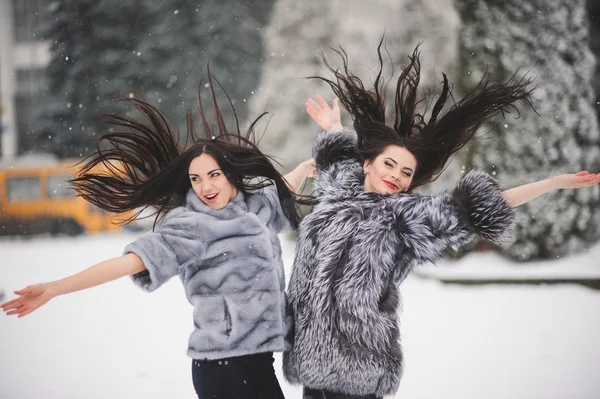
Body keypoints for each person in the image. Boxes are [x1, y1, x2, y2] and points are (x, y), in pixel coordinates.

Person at [283, 44, 600, 399]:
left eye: (406, 172)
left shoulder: (405, 217)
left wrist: (551, 184)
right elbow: (337, 158)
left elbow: (476, 210)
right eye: (389, 164)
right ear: (368, 163)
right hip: (310, 358)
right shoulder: (339, 187)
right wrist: (334, 125)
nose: (396, 176)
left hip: (358, 364)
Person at [1, 73, 315, 399]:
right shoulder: (191, 226)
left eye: (213, 175)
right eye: (195, 178)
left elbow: (282, 186)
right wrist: (54, 288)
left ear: (231, 174)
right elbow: (128, 262)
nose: (205, 187)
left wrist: (305, 167)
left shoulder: (255, 206)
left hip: (260, 361)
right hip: (223, 365)